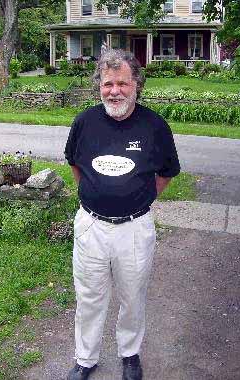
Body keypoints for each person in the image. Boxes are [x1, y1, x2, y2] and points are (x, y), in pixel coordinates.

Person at [64, 49, 180, 380]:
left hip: (134, 228)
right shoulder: (84, 122)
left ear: (136, 86)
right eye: (108, 83)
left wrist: (136, 201)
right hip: (91, 227)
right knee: (89, 297)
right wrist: (98, 196)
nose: (114, 91)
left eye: (123, 84)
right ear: (99, 86)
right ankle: (85, 359)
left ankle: (129, 354)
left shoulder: (155, 125)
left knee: (133, 295)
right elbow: (75, 164)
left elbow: (167, 172)